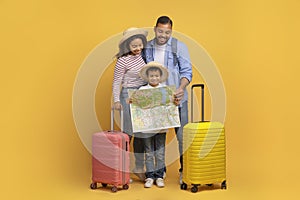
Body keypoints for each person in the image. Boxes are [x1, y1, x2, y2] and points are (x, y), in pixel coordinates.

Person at [143, 16, 193, 184]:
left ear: (171, 31)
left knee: (182, 137)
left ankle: (184, 171)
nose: (163, 35)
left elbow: (187, 72)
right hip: (156, 100)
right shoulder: (147, 47)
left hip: (177, 99)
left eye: (167, 32)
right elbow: (141, 71)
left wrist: (181, 88)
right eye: (160, 31)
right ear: (155, 29)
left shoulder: (179, 46)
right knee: (156, 137)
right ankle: (158, 172)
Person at [128, 62, 179, 188]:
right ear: (147, 77)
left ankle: (159, 176)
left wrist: (175, 102)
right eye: (151, 76)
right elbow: (136, 105)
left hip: (161, 129)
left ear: (160, 77)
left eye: (156, 76)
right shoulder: (142, 90)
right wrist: (131, 101)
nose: (154, 78)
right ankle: (150, 176)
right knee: (149, 153)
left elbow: (171, 106)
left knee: (160, 153)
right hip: (146, 129)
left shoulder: (166, 91)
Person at [112, 27, 148, 181]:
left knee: (141, 134)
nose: (138, 49)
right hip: (128, 95)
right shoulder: (122, 60)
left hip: (141, 94)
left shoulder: (143, 56)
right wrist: (116, 100)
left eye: (140, 45)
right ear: (127, 46)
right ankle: (123, 170)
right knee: (128, 134)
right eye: (134, 46)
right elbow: (116, 82)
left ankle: (139, 167)